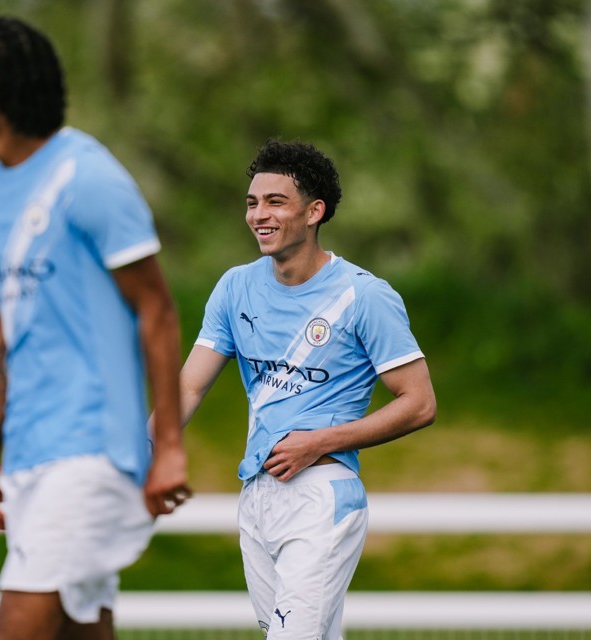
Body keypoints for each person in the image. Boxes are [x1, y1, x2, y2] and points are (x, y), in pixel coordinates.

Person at [0, 16, 191, 640]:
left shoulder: (88, 177)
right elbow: (5, 326)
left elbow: (157, 310)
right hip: (31, 455)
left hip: (91, 454)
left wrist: (172, 446)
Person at [175, 139, 436, 638]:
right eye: (252, 202)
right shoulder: (235, 287)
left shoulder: (364, 296)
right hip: (257, 495)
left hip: (321, 497)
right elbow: (189, 385)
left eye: (276, 202)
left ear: (314, 212)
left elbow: (420, 404)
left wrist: (319, 441)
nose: (258, 215)